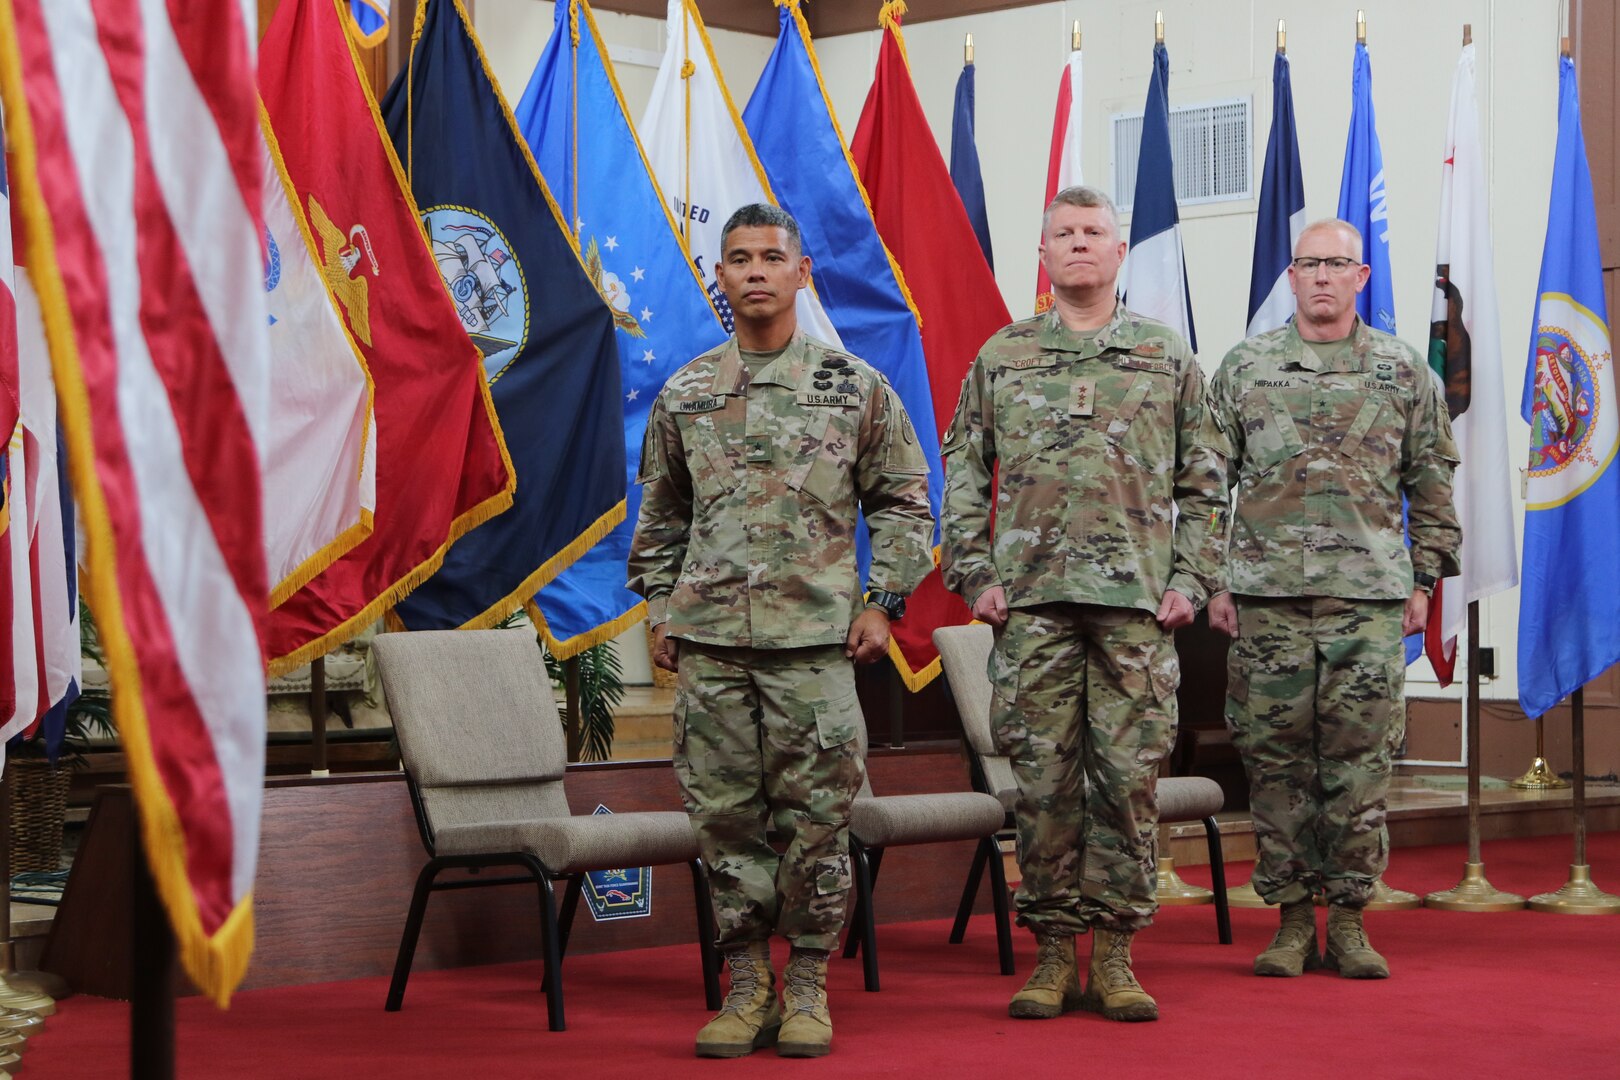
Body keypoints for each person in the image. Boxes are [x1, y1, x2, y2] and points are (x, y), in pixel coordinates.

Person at [627, 203, 933, 1059]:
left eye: (771, 257)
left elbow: (907, 505)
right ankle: (745, 981)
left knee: (816, 822)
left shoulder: (854, 387)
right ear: (718, 279)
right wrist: (660, 607)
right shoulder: (686, 394)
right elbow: (659, 518)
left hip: (815, 649)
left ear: (803, 274)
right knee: (723, 820)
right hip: (713, 648)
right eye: (737, 259)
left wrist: (884, 602)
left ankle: (804, 981)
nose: (755, 270)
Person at [940, 185, 1230, 1023]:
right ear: (1043, 253)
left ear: (1118, 250)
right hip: (1029, 609)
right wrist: (973, 570)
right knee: (1043, 781)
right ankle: (1053, 952)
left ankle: (1118, 955)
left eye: (1092, 231)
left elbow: (1206, 481)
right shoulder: (1003, 356)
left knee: (1128, 780)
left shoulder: (1162, 355)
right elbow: (964, 470)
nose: (1077, 244)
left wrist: (1191, 579)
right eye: (1062, 233)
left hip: (1136, 610)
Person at [1206, 219, 1461, 980]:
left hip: (1368, 602)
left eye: (1337, 263)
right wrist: (1214, 579)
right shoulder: (1246, 367)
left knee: (1360, 765)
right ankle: (1289, 922)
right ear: (1291, 275)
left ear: (1362, 277)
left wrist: (1423, 581)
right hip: (1267, 600)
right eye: (1310, 263)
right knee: (1275, 762)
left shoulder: (1402, 370)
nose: (1322, 275)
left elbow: (1434, 485)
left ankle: (1348, 919)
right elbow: (1202, 482)